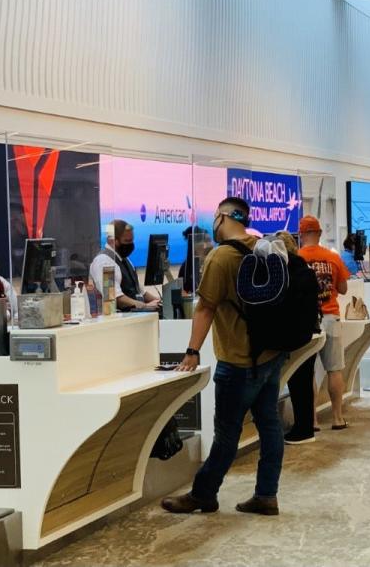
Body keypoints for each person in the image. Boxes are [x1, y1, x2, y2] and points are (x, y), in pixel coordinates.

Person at [162, 197, 288, 516]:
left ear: (220, 216)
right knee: (270, 427)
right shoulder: (265, 247)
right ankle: (266, 494)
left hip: (238, 359)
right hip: (270, 354)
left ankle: (204, 494)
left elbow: (205, 308)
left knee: (227, 433)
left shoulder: (221, 257)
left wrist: (191, 352)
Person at [287, 215, 351, 440]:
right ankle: (337, 417)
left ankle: (311, 420)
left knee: (307, 373)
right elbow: (342, 289)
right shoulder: (332, 257)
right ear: (320, 233)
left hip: (307, 321)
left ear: (301, 234)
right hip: (331, 315)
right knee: (334, 369)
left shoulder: (296, 257)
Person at [89, 219, 161, 311]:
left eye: (132, 240)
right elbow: (114, 297)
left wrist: (160, 302)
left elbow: (140, 292)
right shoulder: (103, 262)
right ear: (113, 240)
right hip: (118, 320)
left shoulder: (125, 260)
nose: (130, 244)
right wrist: (144, 306)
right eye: (127, 241)